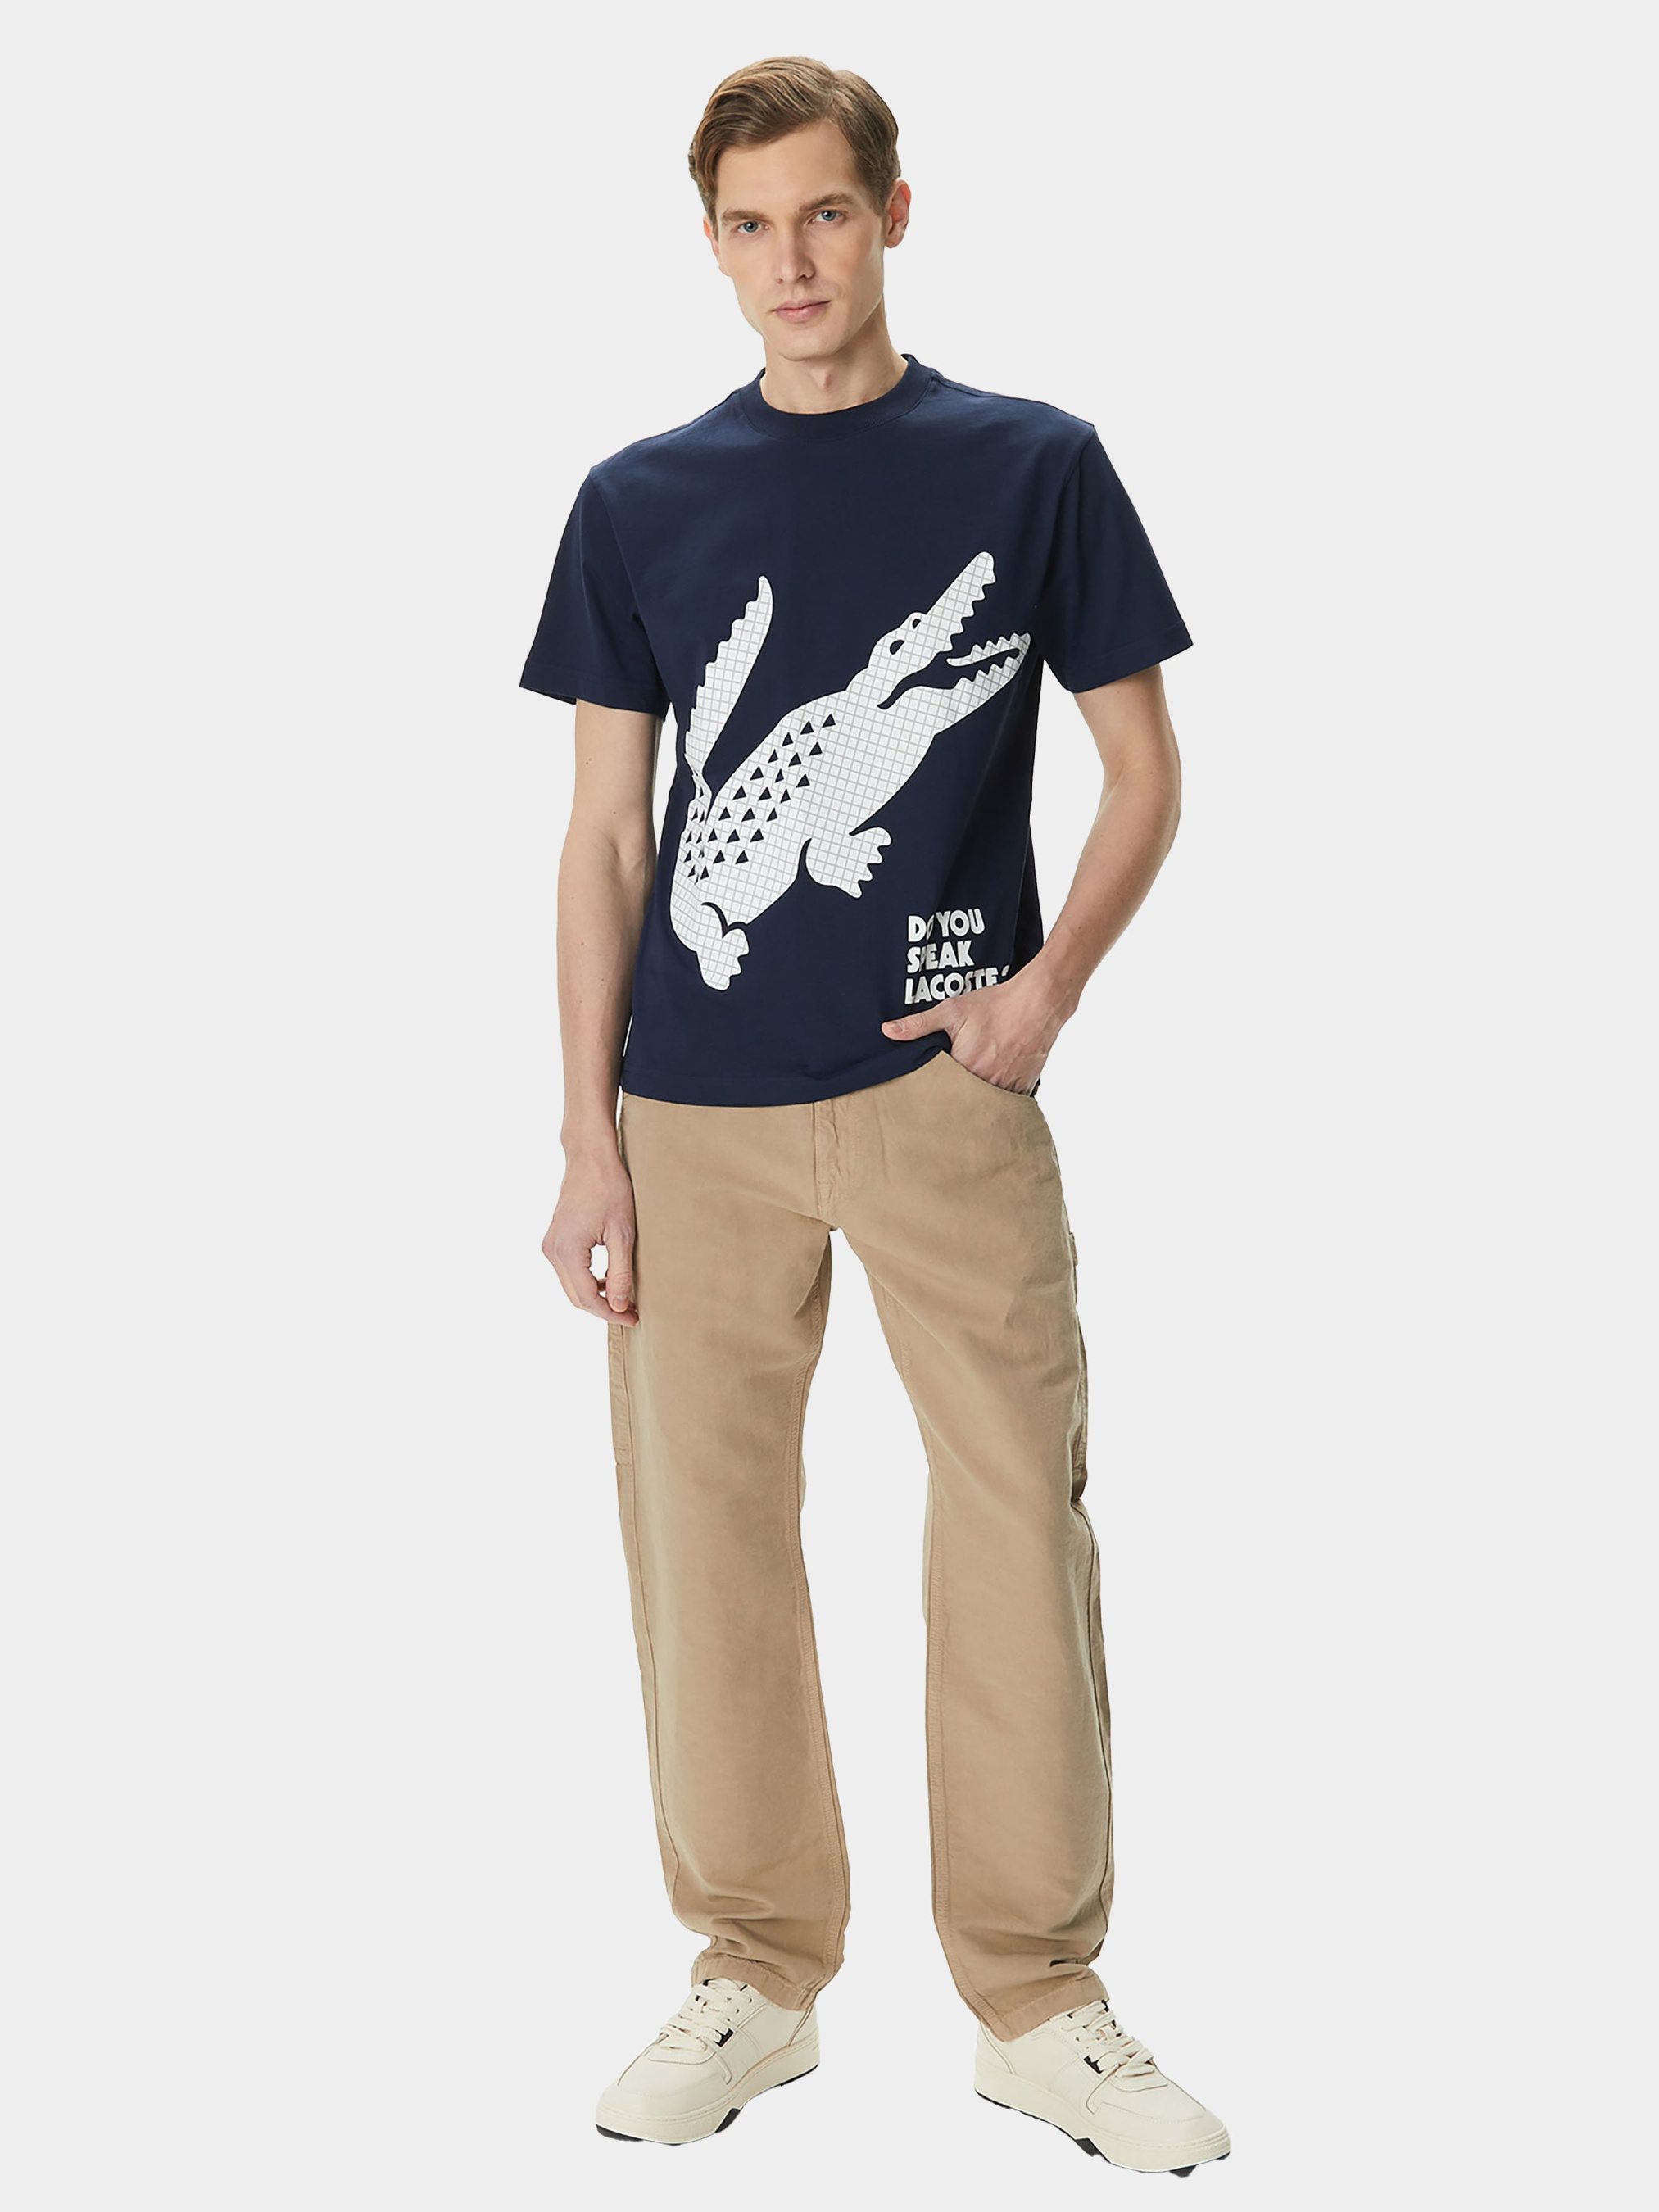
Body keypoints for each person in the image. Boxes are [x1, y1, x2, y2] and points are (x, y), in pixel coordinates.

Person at [520, 53, 1230, 2178]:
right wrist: (584, 1137)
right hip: (691, 1111)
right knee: (703, 1538)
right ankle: (753, 1968)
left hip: (946, 1095)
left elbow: (1142, 768)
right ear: (711, 243)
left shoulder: (1031, 464)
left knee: (1016, 1518)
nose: (792, 262)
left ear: (892, 215)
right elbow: (606, 837)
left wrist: (1044, 993)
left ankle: (1040, 1998)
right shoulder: (637, 498)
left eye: (824, 213)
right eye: (750, 226)